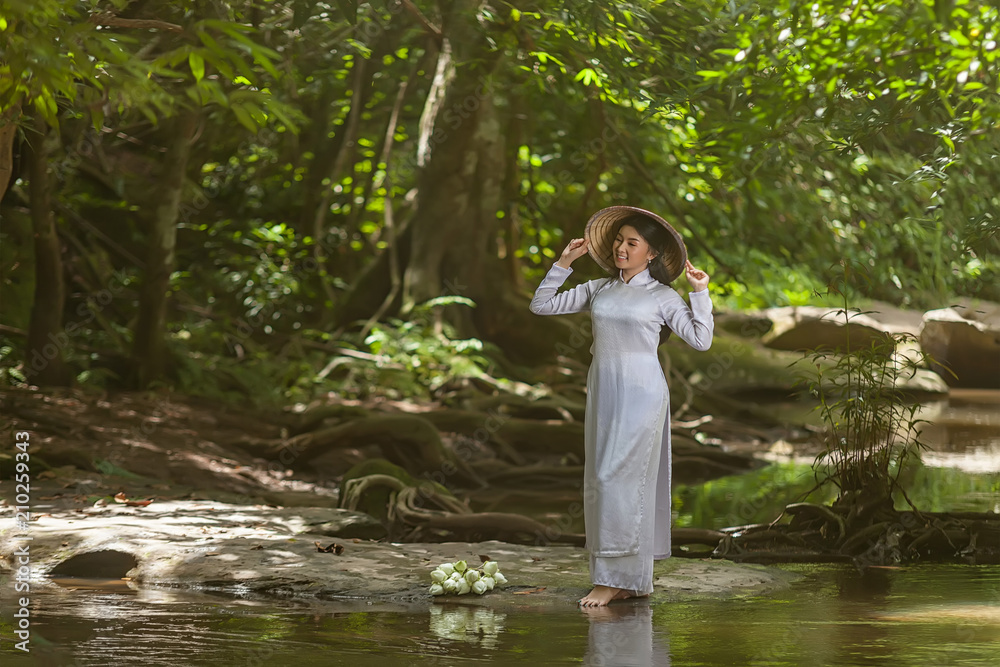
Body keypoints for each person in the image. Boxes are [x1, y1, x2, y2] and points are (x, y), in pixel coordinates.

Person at [528, 206, 714, 608]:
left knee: (618, 478)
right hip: (603, 388)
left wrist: (700, 293)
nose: (621, 248)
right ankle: (632, 580)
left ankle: (611, 580)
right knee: (600, 479)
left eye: (632, 243)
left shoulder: (662, 296)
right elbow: (541, 306)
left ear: (651, 254)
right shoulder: (599, 288)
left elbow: (701, 340)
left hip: (642, 391)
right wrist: (563, 264)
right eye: (618, 240)